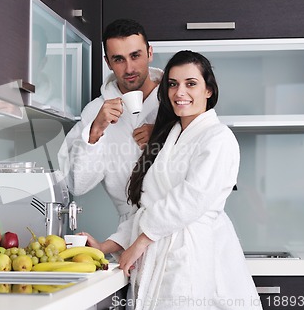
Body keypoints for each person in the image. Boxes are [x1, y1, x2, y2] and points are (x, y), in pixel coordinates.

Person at [81, 51, 262, 309]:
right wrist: (104, 246)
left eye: (191, 84)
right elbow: (151, 207)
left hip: (190, 256)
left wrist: (141, 242)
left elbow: (190, 199)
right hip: (160, 255)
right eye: (173, 84)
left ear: (208, 90)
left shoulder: (218, 138)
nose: (179, 92)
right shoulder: (170, 137)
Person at [58, 18, 163, 226]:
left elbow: (205, 149)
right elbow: (76, 185)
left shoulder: (175, 100)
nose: (129, 68)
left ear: (149, 53)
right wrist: (95, 131)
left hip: (178, 222)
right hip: (130, 228)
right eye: (119, 59)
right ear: (108, 63)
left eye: (135, 55)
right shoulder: (96, 111)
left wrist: (163, 134)